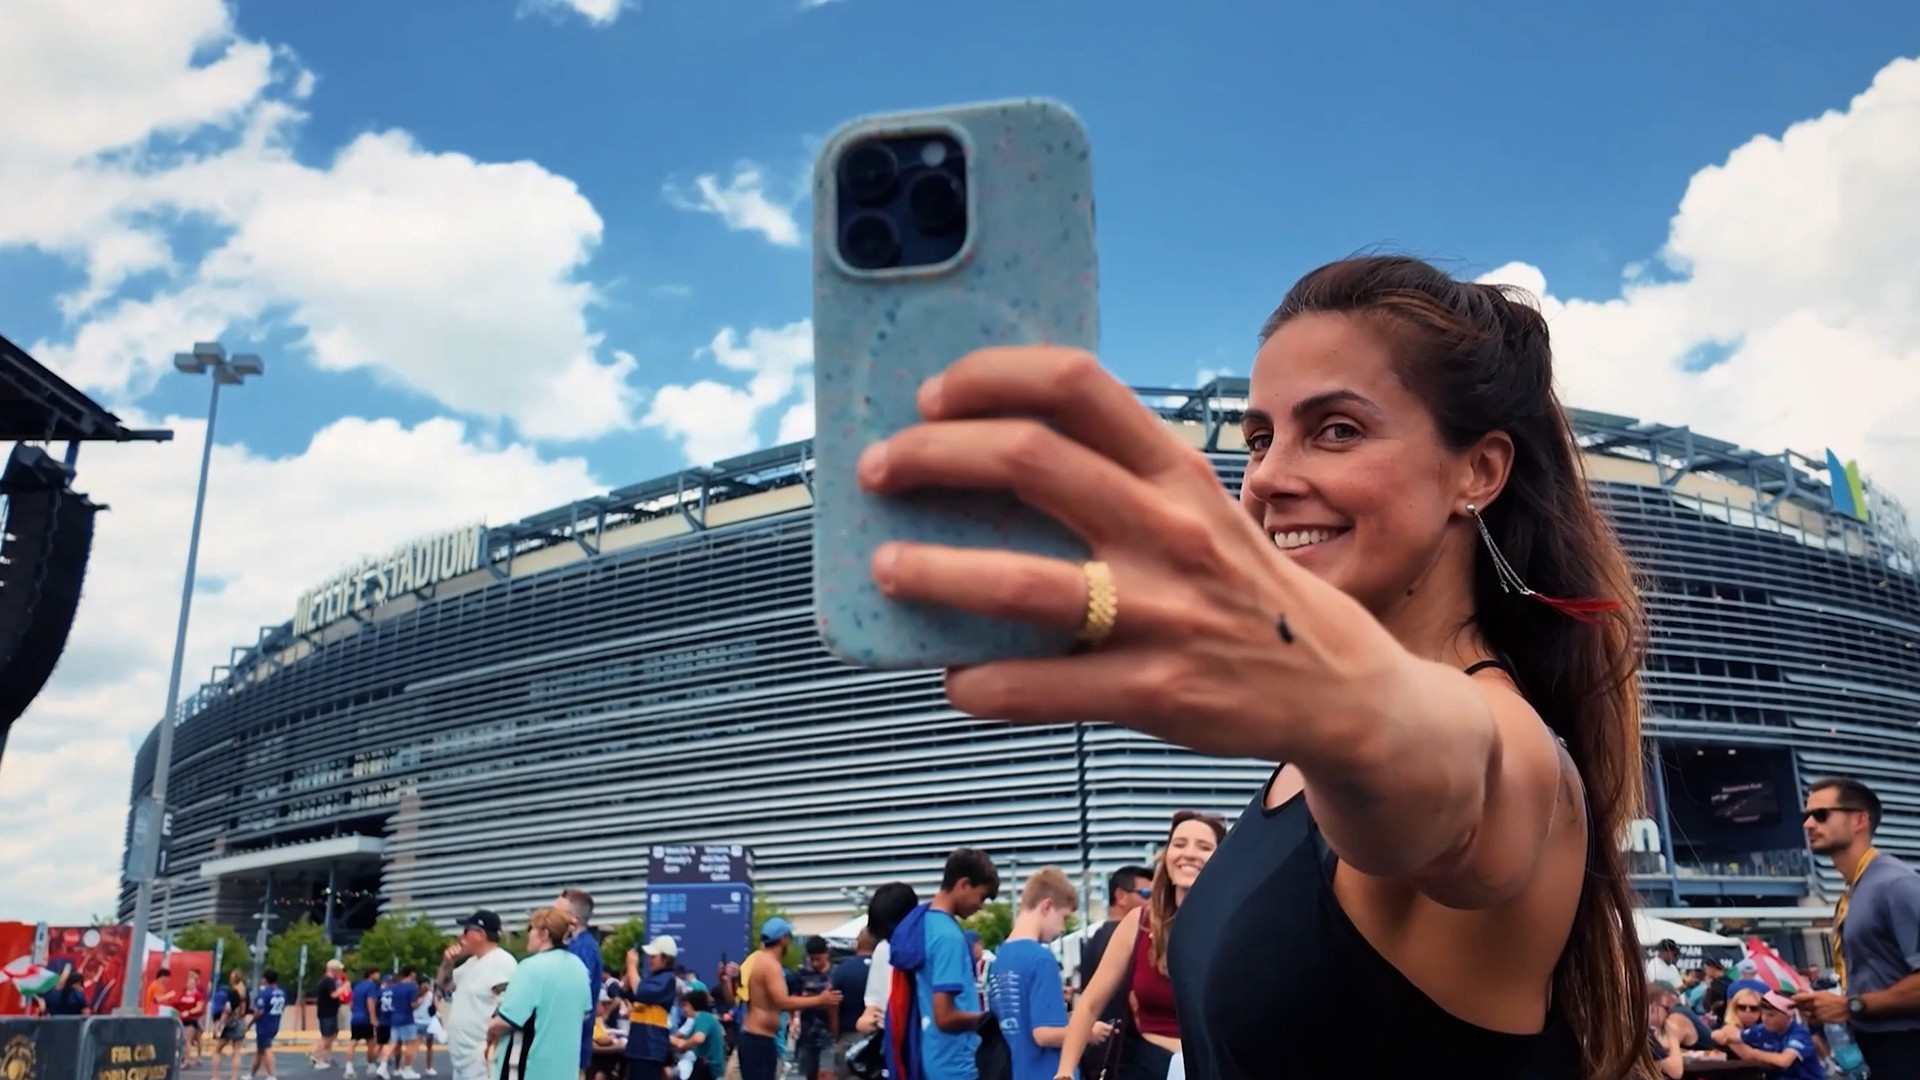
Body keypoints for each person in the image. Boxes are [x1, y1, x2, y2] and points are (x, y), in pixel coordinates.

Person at [853, 255, 1647, 1079]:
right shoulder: (1298, 762)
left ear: (1477, 471)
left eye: (1337, 428)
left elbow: (1458, 783)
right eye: (1260, 438)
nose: (1266, 476)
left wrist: (1341, 708)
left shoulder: (1507, 744)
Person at [1062, 813, 1221, 1080]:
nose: (1189, 854)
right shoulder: (1140, 923)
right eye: (1179, 844)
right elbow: (1089, 1003)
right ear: (1167, 855)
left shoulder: (1234, 926)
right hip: (1144, 1067)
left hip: (1212, 1067)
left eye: (1204, 847)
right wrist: (1064, 1072)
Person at [1791, 776, 1920, 1074]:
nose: (1809, 824)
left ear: (1860, 819)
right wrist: (1831, 1004)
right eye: (1806, 816)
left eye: (1821, 815)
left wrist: (1851, 1005)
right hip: (1881, 1048)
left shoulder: (1894, 883)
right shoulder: (1854, 892)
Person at [885, 848, 998, 1080]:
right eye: (982, 896)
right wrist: (990, 1018)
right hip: (956, 1064)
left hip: (932, 1055)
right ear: (963, 884)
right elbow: (944, 1017)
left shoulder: (925, 922)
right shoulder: (949, 937)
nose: (981, 906)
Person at [985, 867, 1083, 1080]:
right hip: (1049, 1071)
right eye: (1063, 917)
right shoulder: (1041, 958)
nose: (1062, 929)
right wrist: (1086, 1031)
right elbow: (1044, 1033)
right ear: (1047, 906)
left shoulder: (1000, 959)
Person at [487, 907, 592, 1080]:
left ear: (544, 934)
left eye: (530, 928)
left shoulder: (531, 967)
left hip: (530, 1069)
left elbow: (507, 1020)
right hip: (564, 1070)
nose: (528, 933)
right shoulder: (579, 967)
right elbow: (583, 1013)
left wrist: (489, 1028)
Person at [741, 918, 841, 1080]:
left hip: (757, 1037)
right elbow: (783, 1001)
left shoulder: (760, 960)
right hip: (757, 1039)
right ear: (783, 938)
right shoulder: (770, 965)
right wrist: (820, 999)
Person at [439, 910, 518, 1080]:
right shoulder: (471, 963)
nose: (461, 936)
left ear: (480, 934)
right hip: (462, 1057)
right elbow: (444, 986)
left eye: (466, 931)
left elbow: (507, 1007)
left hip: (481, 1058)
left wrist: (490, 1045)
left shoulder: (502, 962)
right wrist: (448, 963)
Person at [622, 935, 681, 1080]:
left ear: (665, 958)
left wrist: (632, 967)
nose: (649, 960)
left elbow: (642, 992)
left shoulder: (667, 979)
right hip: (639, 1046)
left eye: (653, 957)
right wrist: (628, 975)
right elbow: (628, 993)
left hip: (650, 1047)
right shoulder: (652, 978)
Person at [249, 969, 288, 1080]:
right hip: (274, 1022)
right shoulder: (282, 992)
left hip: (264, 1024)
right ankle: (251, 1074)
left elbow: (259, 1011)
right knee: (260, 1050)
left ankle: (272, 1075)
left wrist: (251, 1022)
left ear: (265, 979)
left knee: (266, 1048)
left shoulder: (264, 993)